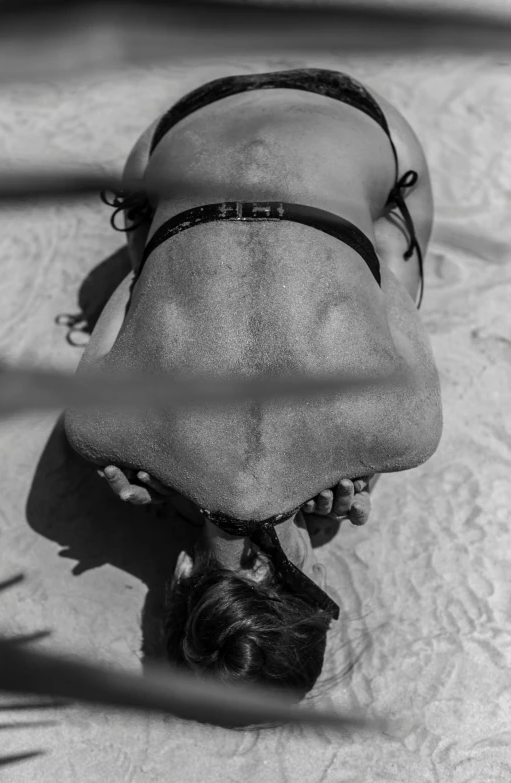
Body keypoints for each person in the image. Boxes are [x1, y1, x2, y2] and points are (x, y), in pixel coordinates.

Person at [65, 68, 442, 699]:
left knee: (393, 279)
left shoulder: (404, 431)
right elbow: (137, 288)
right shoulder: (99, 430)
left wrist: (355, 455)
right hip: (180, 128)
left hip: (350, 113)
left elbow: (380, 286)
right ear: (183, 573)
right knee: (158, 246)